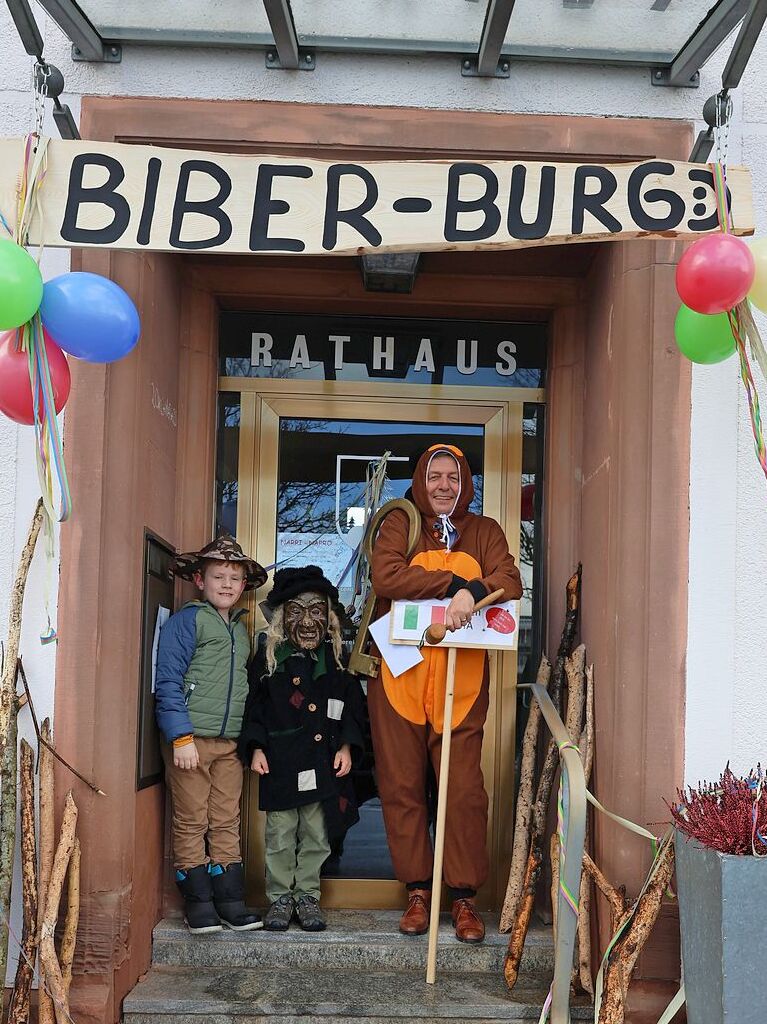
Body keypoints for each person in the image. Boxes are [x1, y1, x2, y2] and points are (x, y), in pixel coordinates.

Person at [369, 443, 523, 943]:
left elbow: (510, 580)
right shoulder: (401, 523)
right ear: (421, 478)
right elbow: (386, 575)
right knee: (402, 786)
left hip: (463, 679)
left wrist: (473, 594)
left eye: (452, 478)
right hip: (401, 677)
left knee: (462, 791)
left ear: (465, 482)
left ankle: (462, 898)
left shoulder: (486, 531)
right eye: (434, 476)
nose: (442, 486)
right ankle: (417, 891)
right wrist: (454, 581)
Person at [239, 566, 365, 933]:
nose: (308, 621)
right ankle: (280, 897)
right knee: (279, 834)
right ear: (281, 616)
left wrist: (346, 745)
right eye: (297, 611)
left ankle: (307, 896)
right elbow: (254, 708)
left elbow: (352, 709)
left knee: (316, 834)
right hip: (280, 763)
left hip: (322, 766)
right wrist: (256, 747)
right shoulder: (268, 660)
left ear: (328, 618)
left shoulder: (337, 663)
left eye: (316, 611)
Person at [155, 535, 267, 934]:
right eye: (218, 576)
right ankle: (198, 902)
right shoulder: (188, 621)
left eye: (234, 579)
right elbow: (167, 680)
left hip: (229, 744)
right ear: (200, 580)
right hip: (191, 741)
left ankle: (230, 900)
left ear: (243, 587)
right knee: (191, 819)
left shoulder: (240, 629)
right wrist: (180, 736)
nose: (226, 585)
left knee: (225, 819)